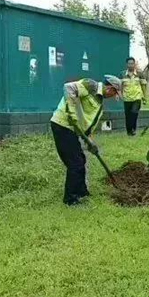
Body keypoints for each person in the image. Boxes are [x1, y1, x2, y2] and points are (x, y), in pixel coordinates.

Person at [50, 76, 121, 206]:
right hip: (63, 125)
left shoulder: (99, 103)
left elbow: (88, 125)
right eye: (114, 93)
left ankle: (82, 192)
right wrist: (71, 112)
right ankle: (70, 199)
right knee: (75, 163)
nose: (113, 97)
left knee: (81, 159)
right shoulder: (90, 85)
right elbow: (68, 87)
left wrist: (89, 141)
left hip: (72, 129)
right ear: (110, 88)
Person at [121, 57, 147, 136]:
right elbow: (120, 86)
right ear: (127, 64)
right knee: (128, 116)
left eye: (132, 63)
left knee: (134, 113)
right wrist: (119, 95)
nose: (131, 65)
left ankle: (133, 129)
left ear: (134, 64)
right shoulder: (122, 74)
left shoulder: (139, 73)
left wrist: (144, 97)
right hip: (127, 98)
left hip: (137, 97)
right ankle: (129, 131)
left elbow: (143, 86)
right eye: (129, 64)